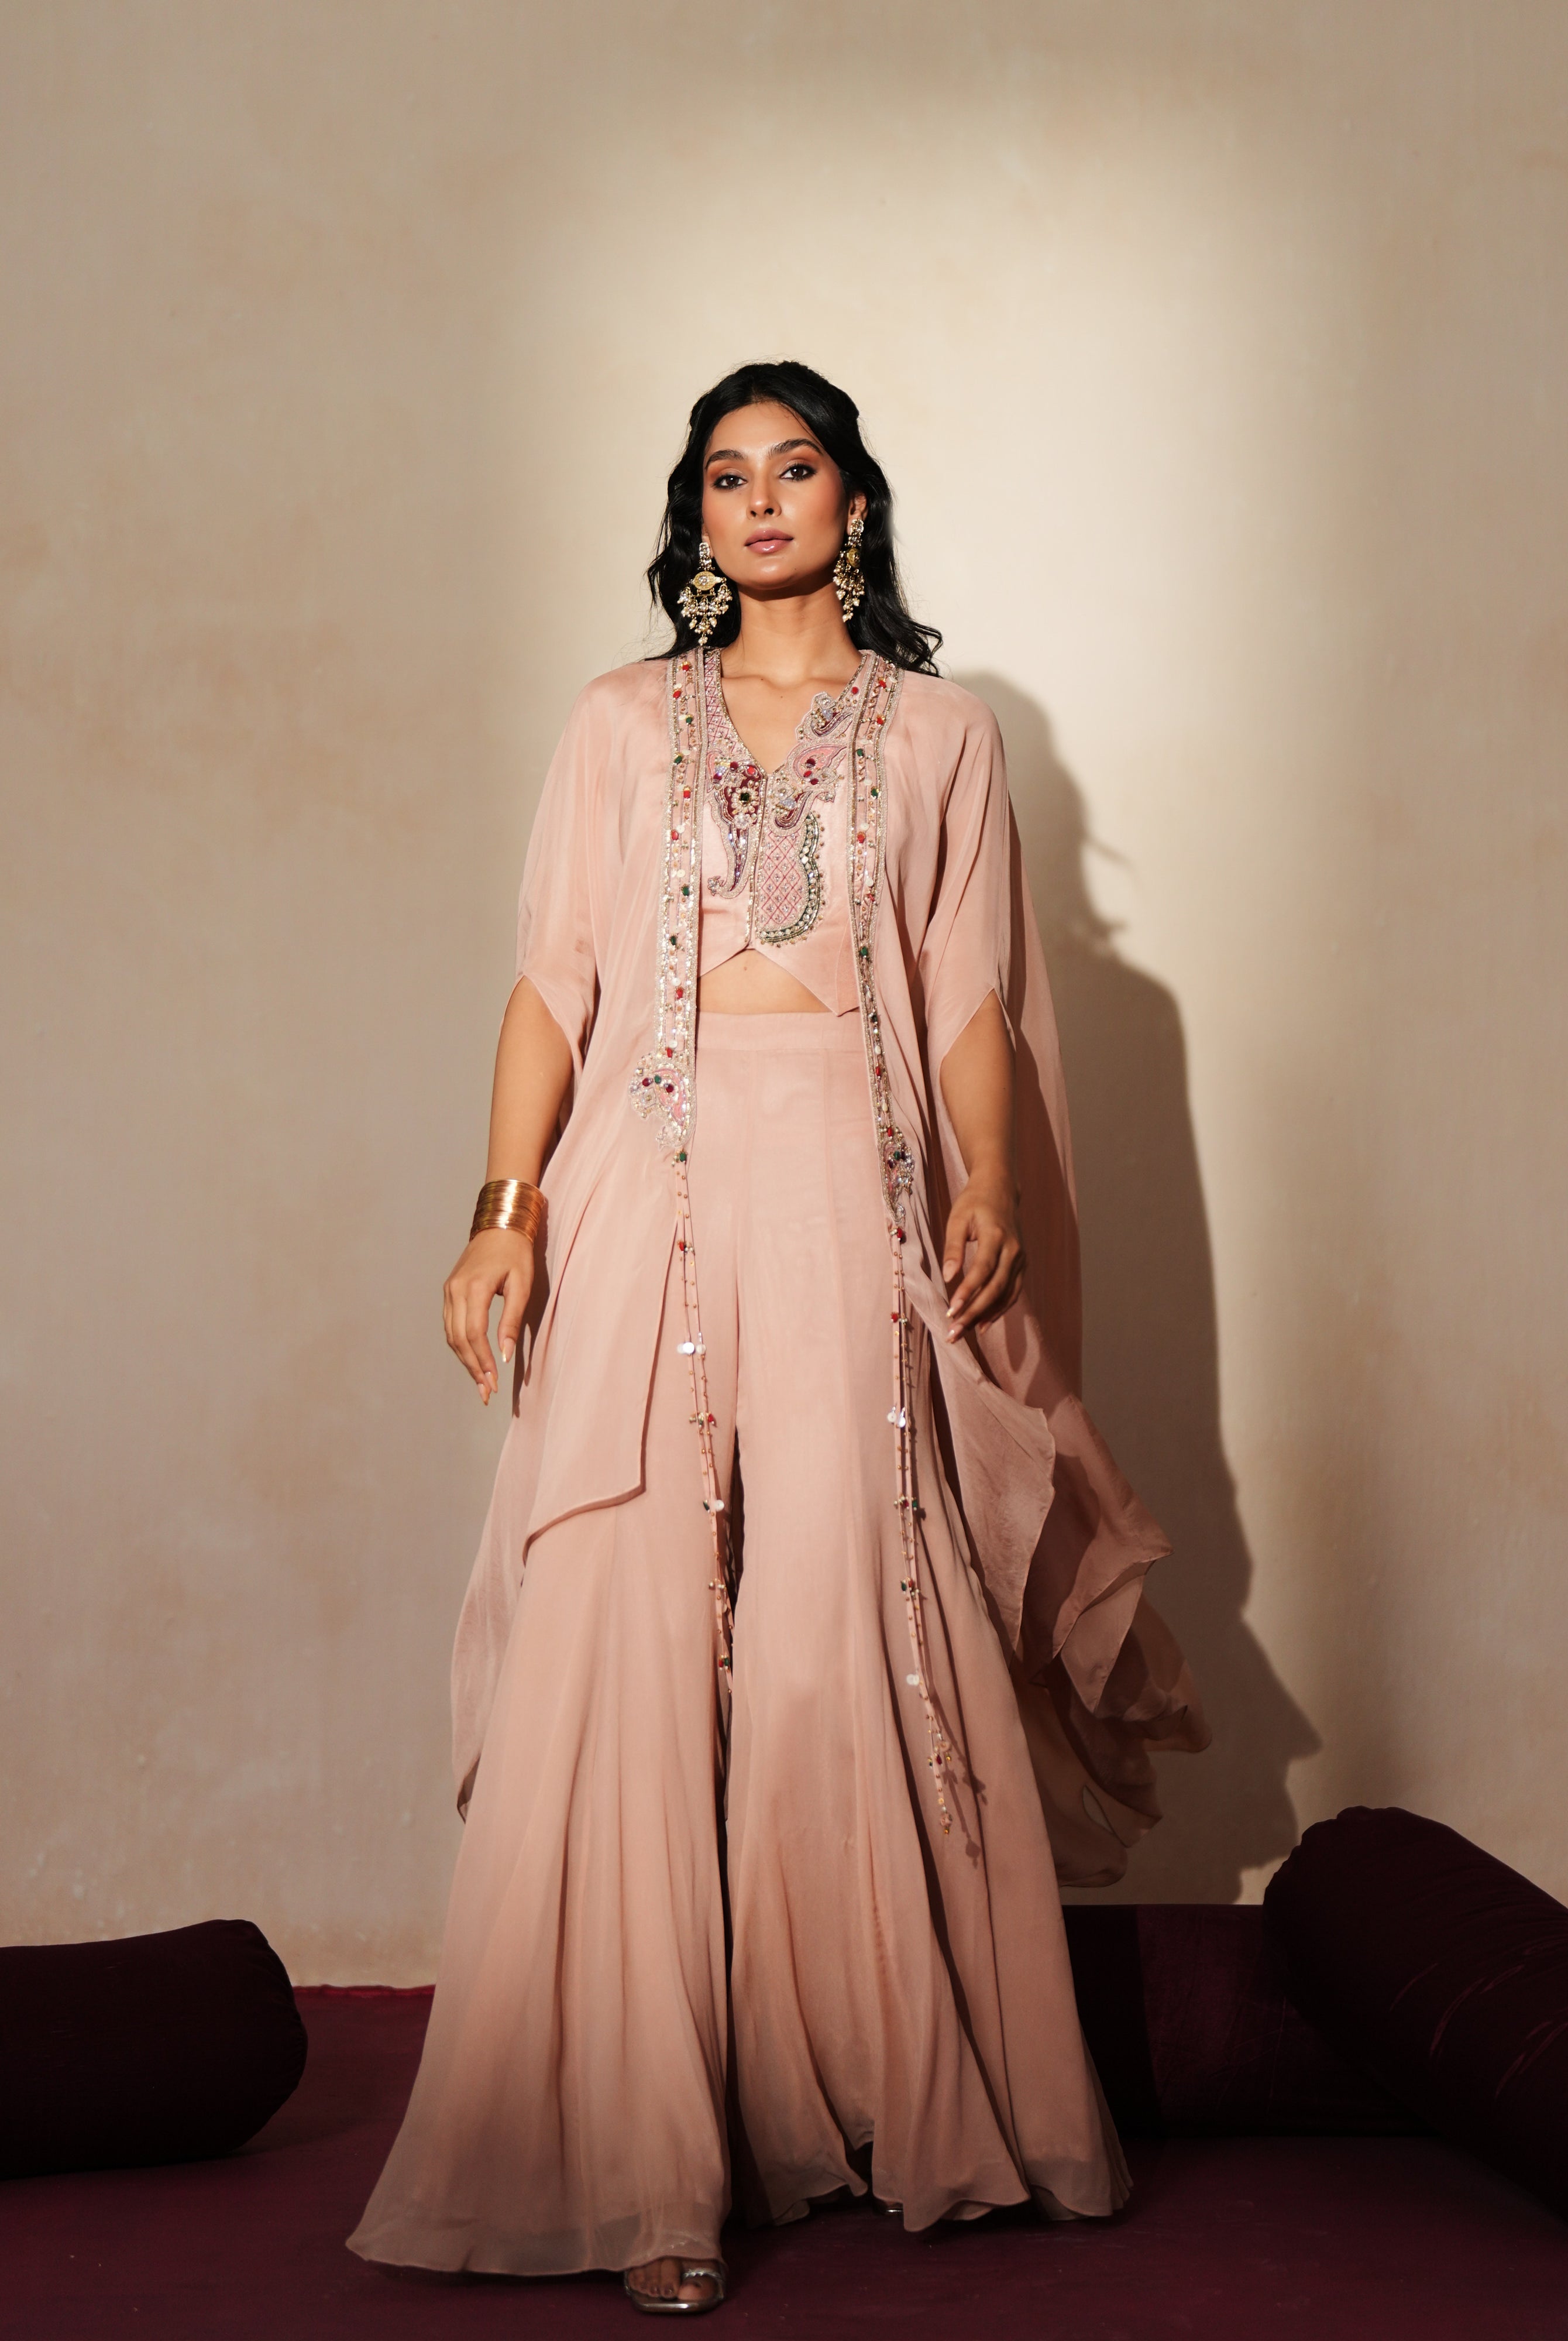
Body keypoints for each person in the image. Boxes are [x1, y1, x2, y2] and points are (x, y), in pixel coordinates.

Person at [348, 360, 1207, 2313]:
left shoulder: (942, 736)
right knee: (627, 1628)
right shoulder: (616, 721)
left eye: (793, 468)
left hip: (847, 1190)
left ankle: (861, 2100)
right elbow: (554, 984)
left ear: (852, 502)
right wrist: (502, 1216)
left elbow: (969, 996)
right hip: (639, 1192)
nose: (757, 501)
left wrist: (992, 1185)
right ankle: (637, 2168)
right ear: (697, 515)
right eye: (724, 475)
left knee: (838, 1625)